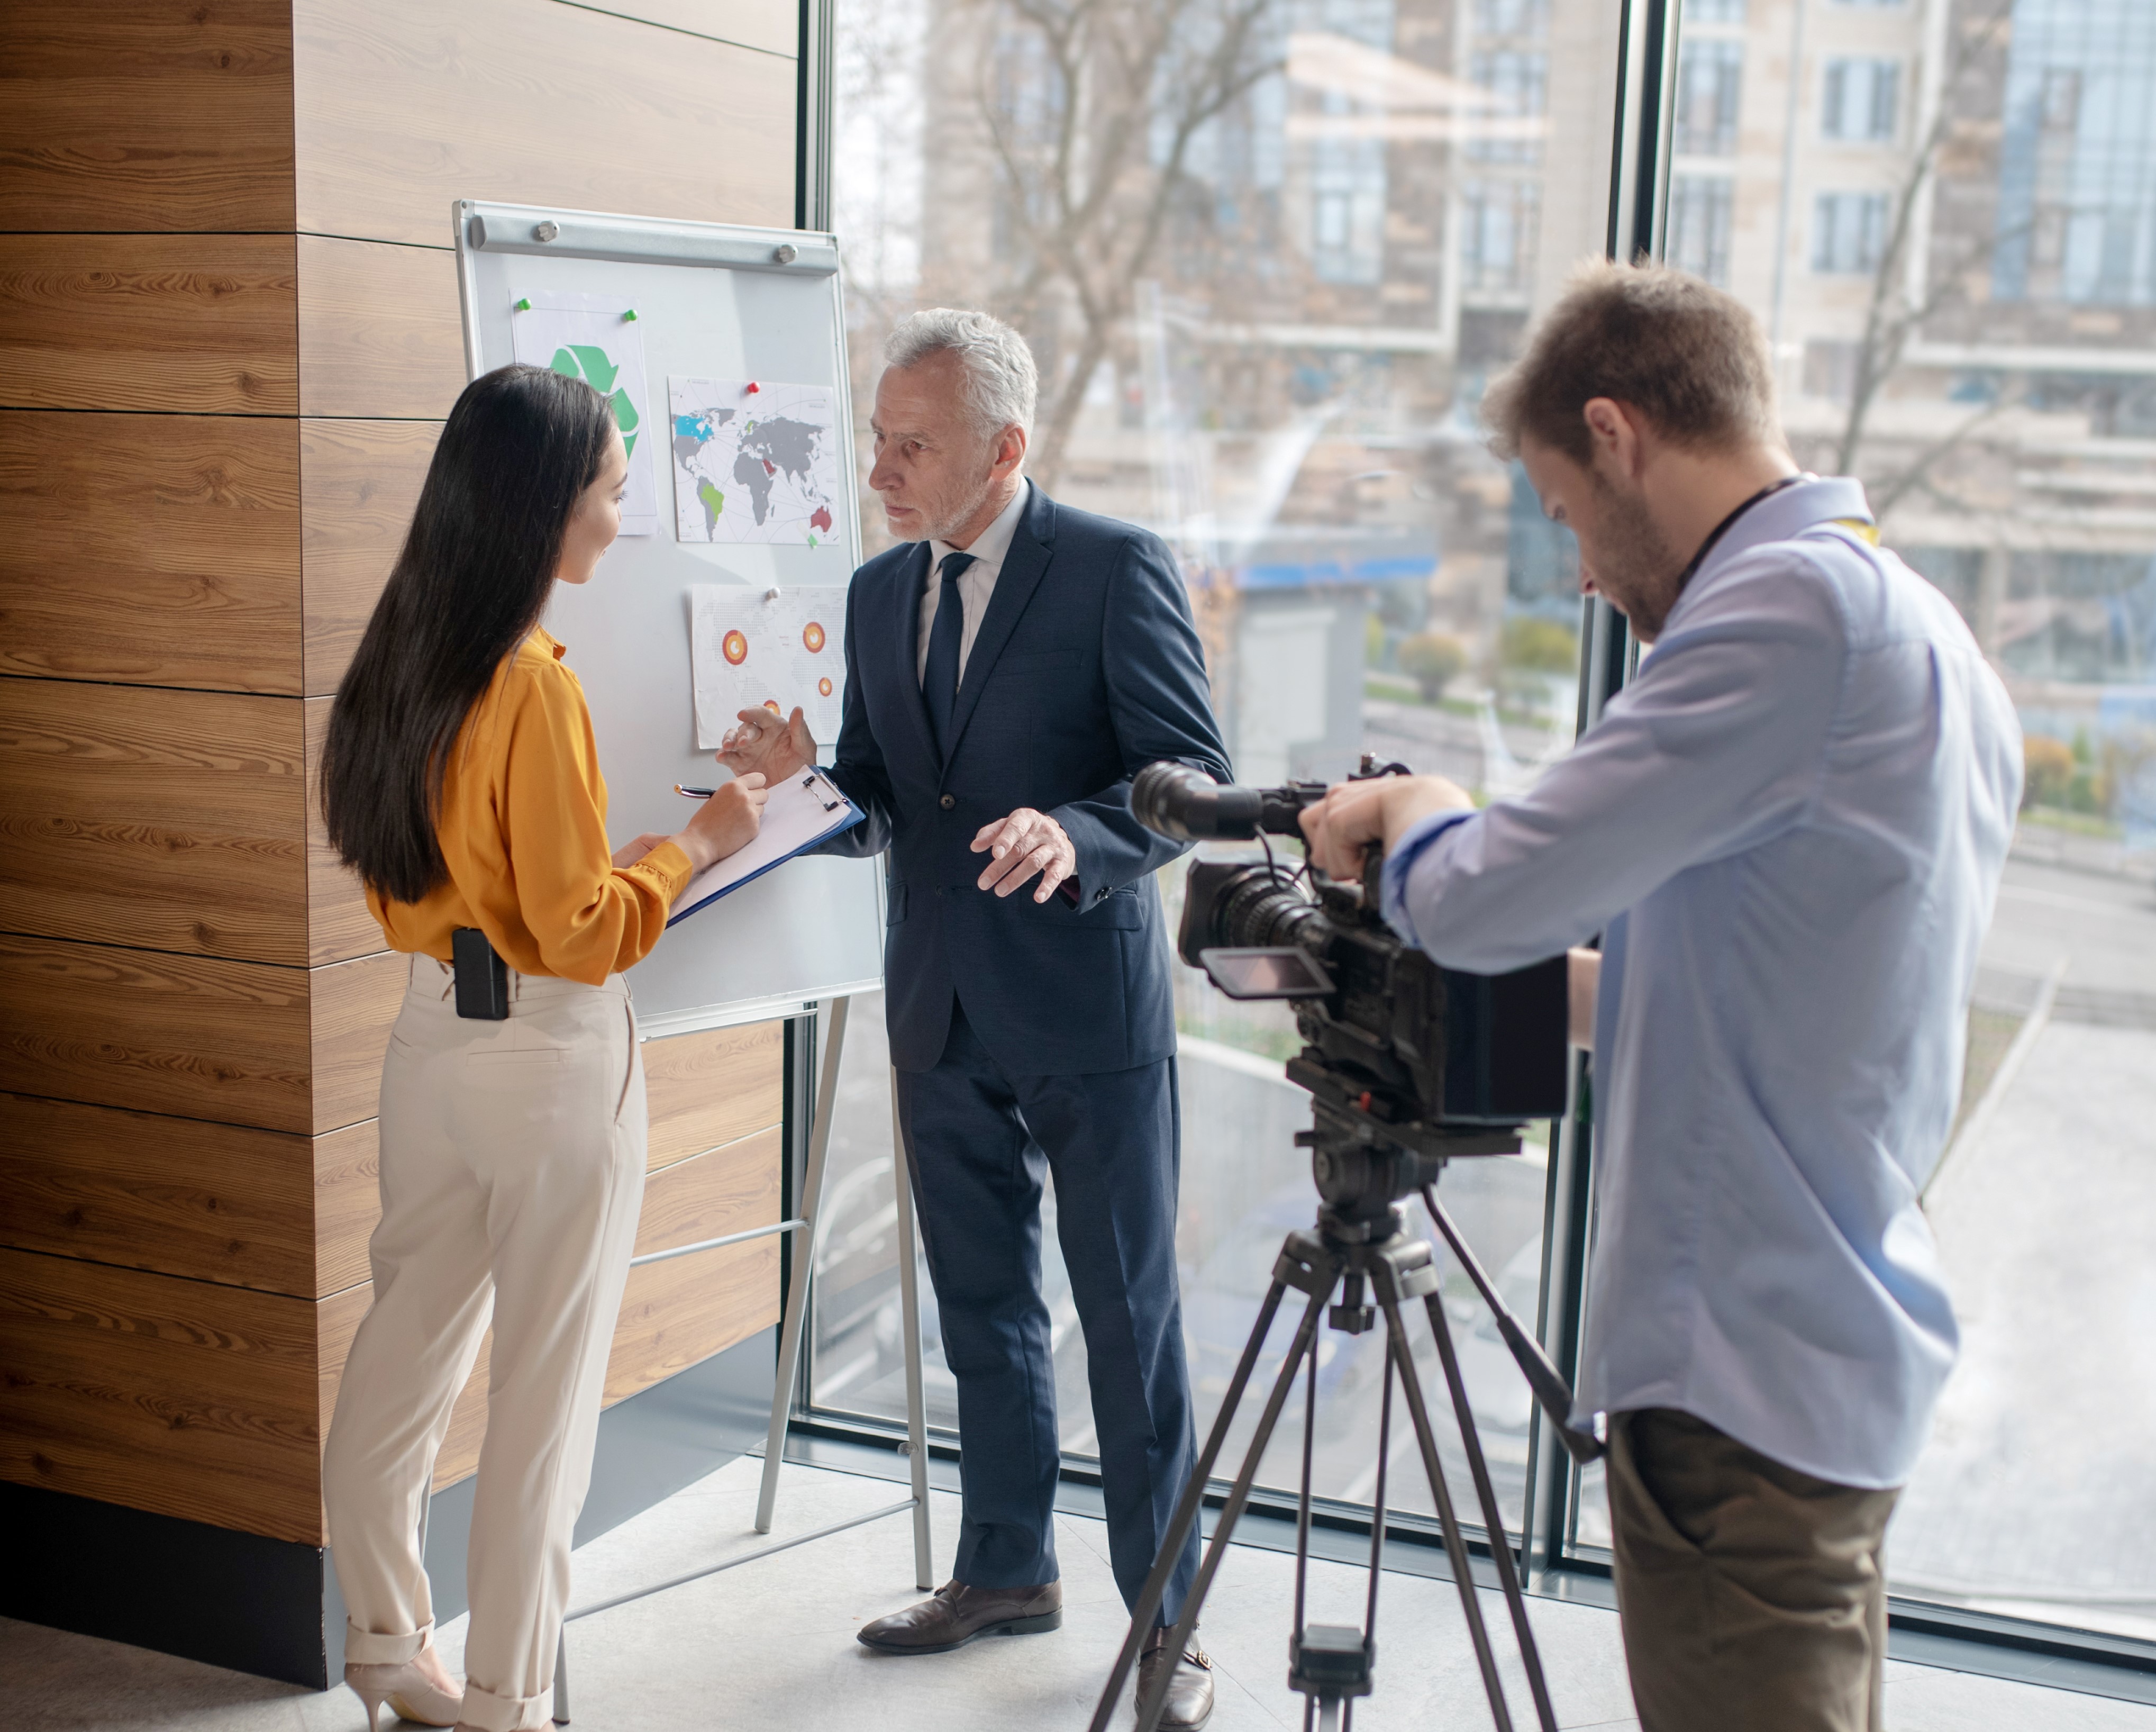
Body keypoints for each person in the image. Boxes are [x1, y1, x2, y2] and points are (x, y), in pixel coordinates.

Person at [1299, 260, 2022, 1732]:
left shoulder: (1786, 621)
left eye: (1564, 511)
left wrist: (1420, 808)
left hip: (1742, 1379)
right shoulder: (1916, 631)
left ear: (1619, 434)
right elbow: (1733, 984)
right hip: (1818, 1352)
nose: (1577, 568)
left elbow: (1478, 889)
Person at [720, 309, 1231, 1730]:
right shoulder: (882, 594)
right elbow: (889, 800)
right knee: (982, 1307)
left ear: (1004, 447)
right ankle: (1006, 1566)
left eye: (910, 443)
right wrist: (803, 778)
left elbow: (1188, 776)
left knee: (1128, 1323)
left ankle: (1168, 1623)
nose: (879, 467)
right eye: (879, 437)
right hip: (938, 1000)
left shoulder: (1116, 567)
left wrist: (1079, 833)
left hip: (1084, 1008)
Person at [317, 365, 768, 1732]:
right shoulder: (532, 681)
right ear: (543, 505)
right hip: (556, 1061)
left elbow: (479, 880)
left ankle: (390, 1644)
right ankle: (506, 1695)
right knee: (545, 1393)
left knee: (403, 1354)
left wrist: (619, 867)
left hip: (430, 1043)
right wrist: (699, 843)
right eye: (614, 490)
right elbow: (577, 933)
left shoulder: (402, 652)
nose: (621, 519)